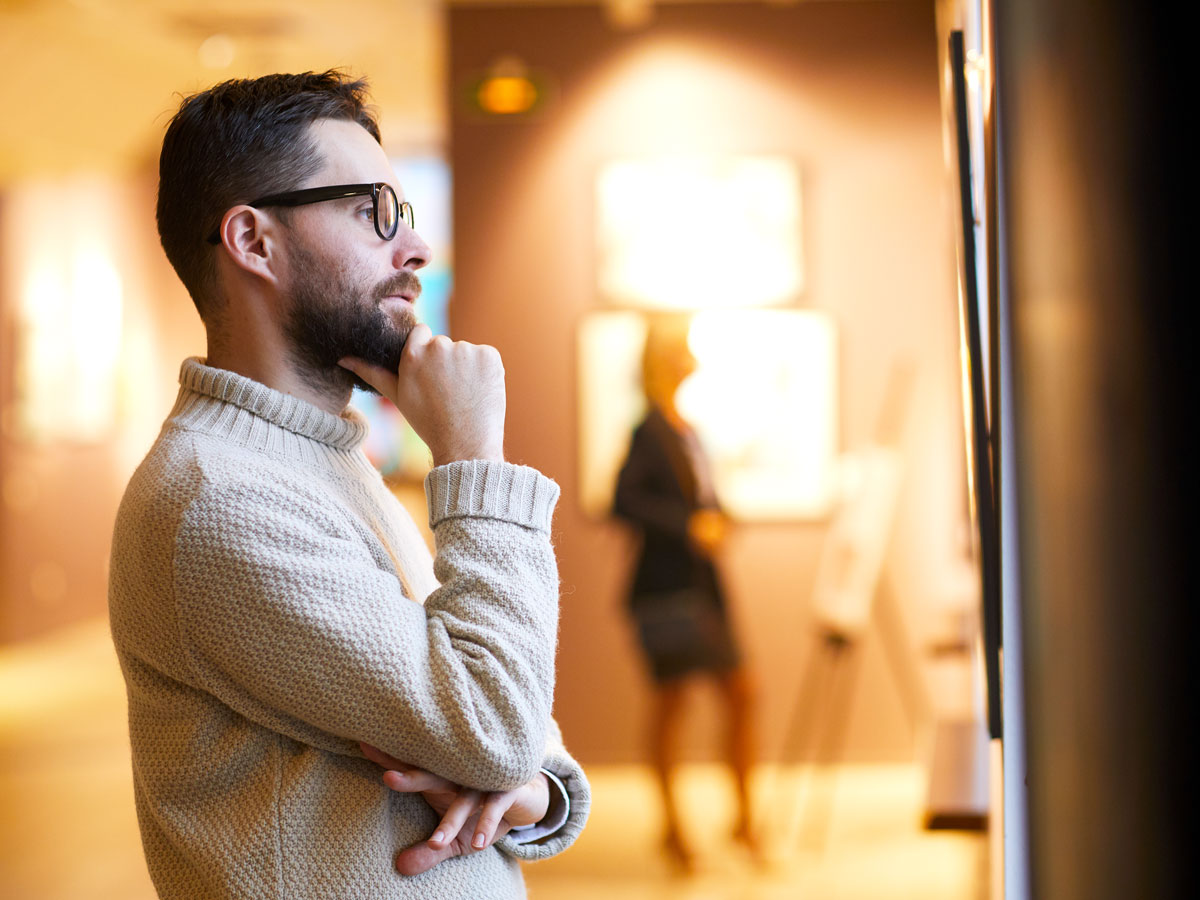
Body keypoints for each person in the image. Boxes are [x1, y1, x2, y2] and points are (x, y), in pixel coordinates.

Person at [108, 71, 588, 900]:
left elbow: (503, 717)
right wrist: (474, 456)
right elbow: (496, 722)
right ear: (254, 242)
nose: (416, 248)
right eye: (373, 211)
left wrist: (536, 793)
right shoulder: (221, 499)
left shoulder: (319, 462)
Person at [613, 314, 758, 872]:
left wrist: (720, 516)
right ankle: (673, 829)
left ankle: (744, 819)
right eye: (681, 348)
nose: (690, 355)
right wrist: (689, 525)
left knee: (743, 692)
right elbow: (623, 501)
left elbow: (702, 500)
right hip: (667, 592)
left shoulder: (685, 428)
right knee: (673, 704)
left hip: (704, 588)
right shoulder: (647, 429)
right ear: (662, 359)